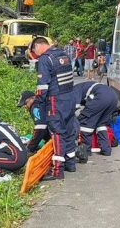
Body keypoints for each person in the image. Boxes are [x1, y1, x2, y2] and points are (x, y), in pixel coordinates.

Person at [29, 36, 77, 180]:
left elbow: (42, 86)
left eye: (33, 51)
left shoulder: (45, 58)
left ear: (38, 46)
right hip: (70, 97)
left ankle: (57, 170)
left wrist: (38, 101)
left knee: (57, 132)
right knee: (68, 130)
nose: (34, 54)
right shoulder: (63, 54)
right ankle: (70, 163)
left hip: (56, 100)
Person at [73, 81, 119, 162]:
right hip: (113, 97)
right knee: (101, 124)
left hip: (101, 97)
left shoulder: (74, 90)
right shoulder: (85, 86)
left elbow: (74, 108)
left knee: (85, 123)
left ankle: (86, 151)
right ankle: (106, 150)